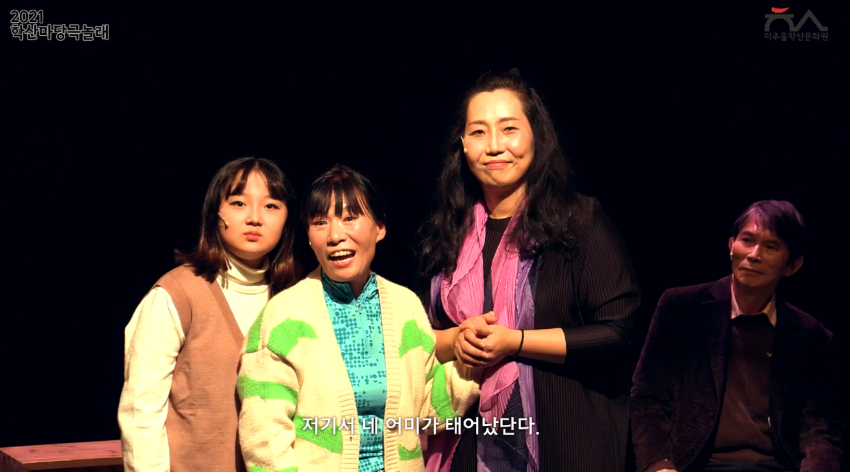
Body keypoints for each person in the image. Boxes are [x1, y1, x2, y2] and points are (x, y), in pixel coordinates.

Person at [418, 69, 641, 472]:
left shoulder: (578, 220)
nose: (494, 145)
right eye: (479, 132)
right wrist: (456, 340)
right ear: (463, 145)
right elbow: (415, 338)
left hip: (565, 442)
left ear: (535, 136)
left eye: (509, 129)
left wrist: (516, 341)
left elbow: (619, 333)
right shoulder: (449, 231)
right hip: (465, 443)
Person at [237, 164, 480, 472]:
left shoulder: (405, 306)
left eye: (350, 217)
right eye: (320, 222)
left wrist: (475, 360)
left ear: (380, 228)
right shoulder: (283, 315)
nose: (335, 235)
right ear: (309, 237)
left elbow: (426, 410)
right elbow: (263, 436)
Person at [631, 200, 845, 472]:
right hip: (696, 465)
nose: (754, 255)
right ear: (731, 245)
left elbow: (822, 429)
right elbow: (649, 397)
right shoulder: (682, 307)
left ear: (792, 265)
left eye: (771, 246)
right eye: (747, 240)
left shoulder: (811, 336)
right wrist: (659, 465)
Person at [118, 157, 302, 472]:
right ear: (215, 213)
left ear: (287, 221)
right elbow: (141, 411)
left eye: (271, 206)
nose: (254, 218)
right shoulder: (177, 294)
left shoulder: (296, 299)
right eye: (239, 203)